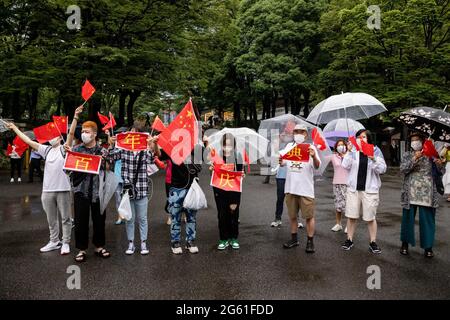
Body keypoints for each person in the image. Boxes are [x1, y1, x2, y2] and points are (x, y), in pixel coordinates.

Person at [6, 121, 72, 255]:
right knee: (51, 218)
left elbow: (70, 134)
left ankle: (65, 242)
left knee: (65, 218)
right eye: (50, 137)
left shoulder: (64, 149)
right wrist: (15, 129)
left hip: (63, 188)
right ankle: (54, 241)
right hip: (47, 190)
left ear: (60, 137)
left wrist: (75, 117)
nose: (51, 139)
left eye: (54, 136)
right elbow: (28, 140)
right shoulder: (45, 150)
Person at [65, 107, 111, 263]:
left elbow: (108, 169)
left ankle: (99, 246)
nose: (84, 134)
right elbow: (67, 170)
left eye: (87, 131)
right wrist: (69, 155)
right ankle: (81, 249)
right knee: (80, 221)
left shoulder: (102, 151)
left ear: (95, 134)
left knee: (99, 220)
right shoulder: (77, 150)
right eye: (83, 131)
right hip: (80, 191)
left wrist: (102, 162)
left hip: (99, 192)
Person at [107, 126, 159, 255]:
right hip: (127, 190)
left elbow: (152, 159)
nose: (133, 137)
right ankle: (131, 243)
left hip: (141, 189)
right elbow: (110, 157)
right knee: (129, 218)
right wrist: (112, 144)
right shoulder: (123, 150)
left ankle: (143, 243)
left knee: (142, 218)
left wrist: (153, 144)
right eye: (131, 134)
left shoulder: (144, 150)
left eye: (136, 134)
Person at [341, 129, 387, 254]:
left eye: (364, 137)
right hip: (353, 189)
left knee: (370, 218)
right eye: (359, 137)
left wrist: (373, 158)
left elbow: (383, 169)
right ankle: (349, 239)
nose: (361, 139)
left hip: (369, 191)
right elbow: (345, 165)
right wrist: (349, 152)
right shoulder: (353, 151)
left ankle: (373, 242)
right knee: (351, 216)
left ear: (369, 139)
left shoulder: (375, 150)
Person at [400, 133, 443, 257]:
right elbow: (403, 169)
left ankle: (428, 247)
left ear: (423, 141)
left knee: (428, 221)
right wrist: (414, 159)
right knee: (407, 219)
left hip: (427, 193)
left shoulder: (432, 154)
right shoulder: (407, 154)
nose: (415, 142)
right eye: (413, 140)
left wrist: (440, 164)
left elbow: (441, 172)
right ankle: (405, 244)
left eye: (417, 140)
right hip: (410, 192)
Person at [280, 124, 321, 253]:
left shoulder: (310, 147)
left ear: (306, 135)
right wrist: (280, 162)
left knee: (309, 216)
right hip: (291, 187)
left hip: (305, 189)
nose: (298, 134)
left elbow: (317, 166)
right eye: (296, 131)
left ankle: (310, 241)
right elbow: (283, 162)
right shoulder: (288, 147)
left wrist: (314, 156)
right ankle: (294, 238)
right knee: (293, 216)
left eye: (301, 132)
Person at [159, 147, 202, 255]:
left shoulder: (195, 146)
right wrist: (155, 145)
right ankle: (175, 242)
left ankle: (190, 242)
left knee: (191, 217)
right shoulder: (171, 146)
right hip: (176, 188)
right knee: (175, 217)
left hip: (192, 187)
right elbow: (160, 155)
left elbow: (201, 162)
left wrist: (205, 144)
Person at [209, 134, 244, 250]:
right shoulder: (217, 156)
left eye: (229, 145)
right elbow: (213, 175)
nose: (227, 147)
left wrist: (242, 174)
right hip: (220, 189)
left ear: (233, 146)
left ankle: (233, 238)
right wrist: (211, 170)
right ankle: (223, 239)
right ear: (222, 145)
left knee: (233, 213)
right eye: (225, 145)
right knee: (222, 214)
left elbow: (240, 173)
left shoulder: (237, 156)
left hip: (234, 190)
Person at [270, 131, 304, 229]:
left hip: (293, 175)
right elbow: (273, 155)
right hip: (281, 175)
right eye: (284, 133)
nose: (287, 135)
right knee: (280, 198)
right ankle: (277, 219)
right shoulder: (280, 144)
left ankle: (296, 220)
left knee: (295, 198)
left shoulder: (297, 146)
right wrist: (279, 140)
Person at [330, 139, 349, 232]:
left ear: (346, 146)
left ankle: (349, 225)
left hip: (347, 183)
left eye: (342, 145)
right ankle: (338, 224)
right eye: (339, 145)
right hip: (337, 182)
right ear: (336, 147)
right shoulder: (334, 156)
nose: (341, 146)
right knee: (338, 204)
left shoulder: (349, 156)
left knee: (348, 205)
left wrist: (348, 154)